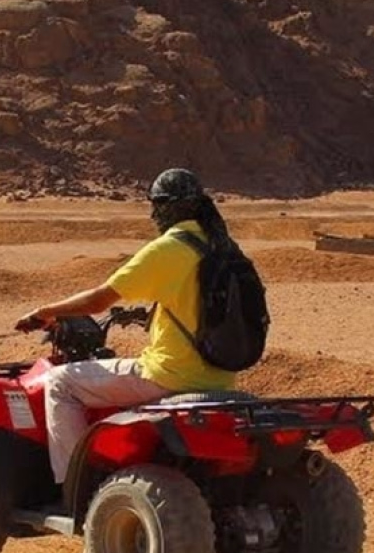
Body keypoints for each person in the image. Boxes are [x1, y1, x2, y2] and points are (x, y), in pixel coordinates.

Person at [14, 168, 240, 490]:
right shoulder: (226, 248)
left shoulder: (170, 248)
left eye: (157, 205)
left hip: (168, 375)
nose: (153, 213)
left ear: (168, 207)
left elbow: (99, 300)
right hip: (221, 379)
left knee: (60, 382)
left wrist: (46, 312)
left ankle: (77, 486)